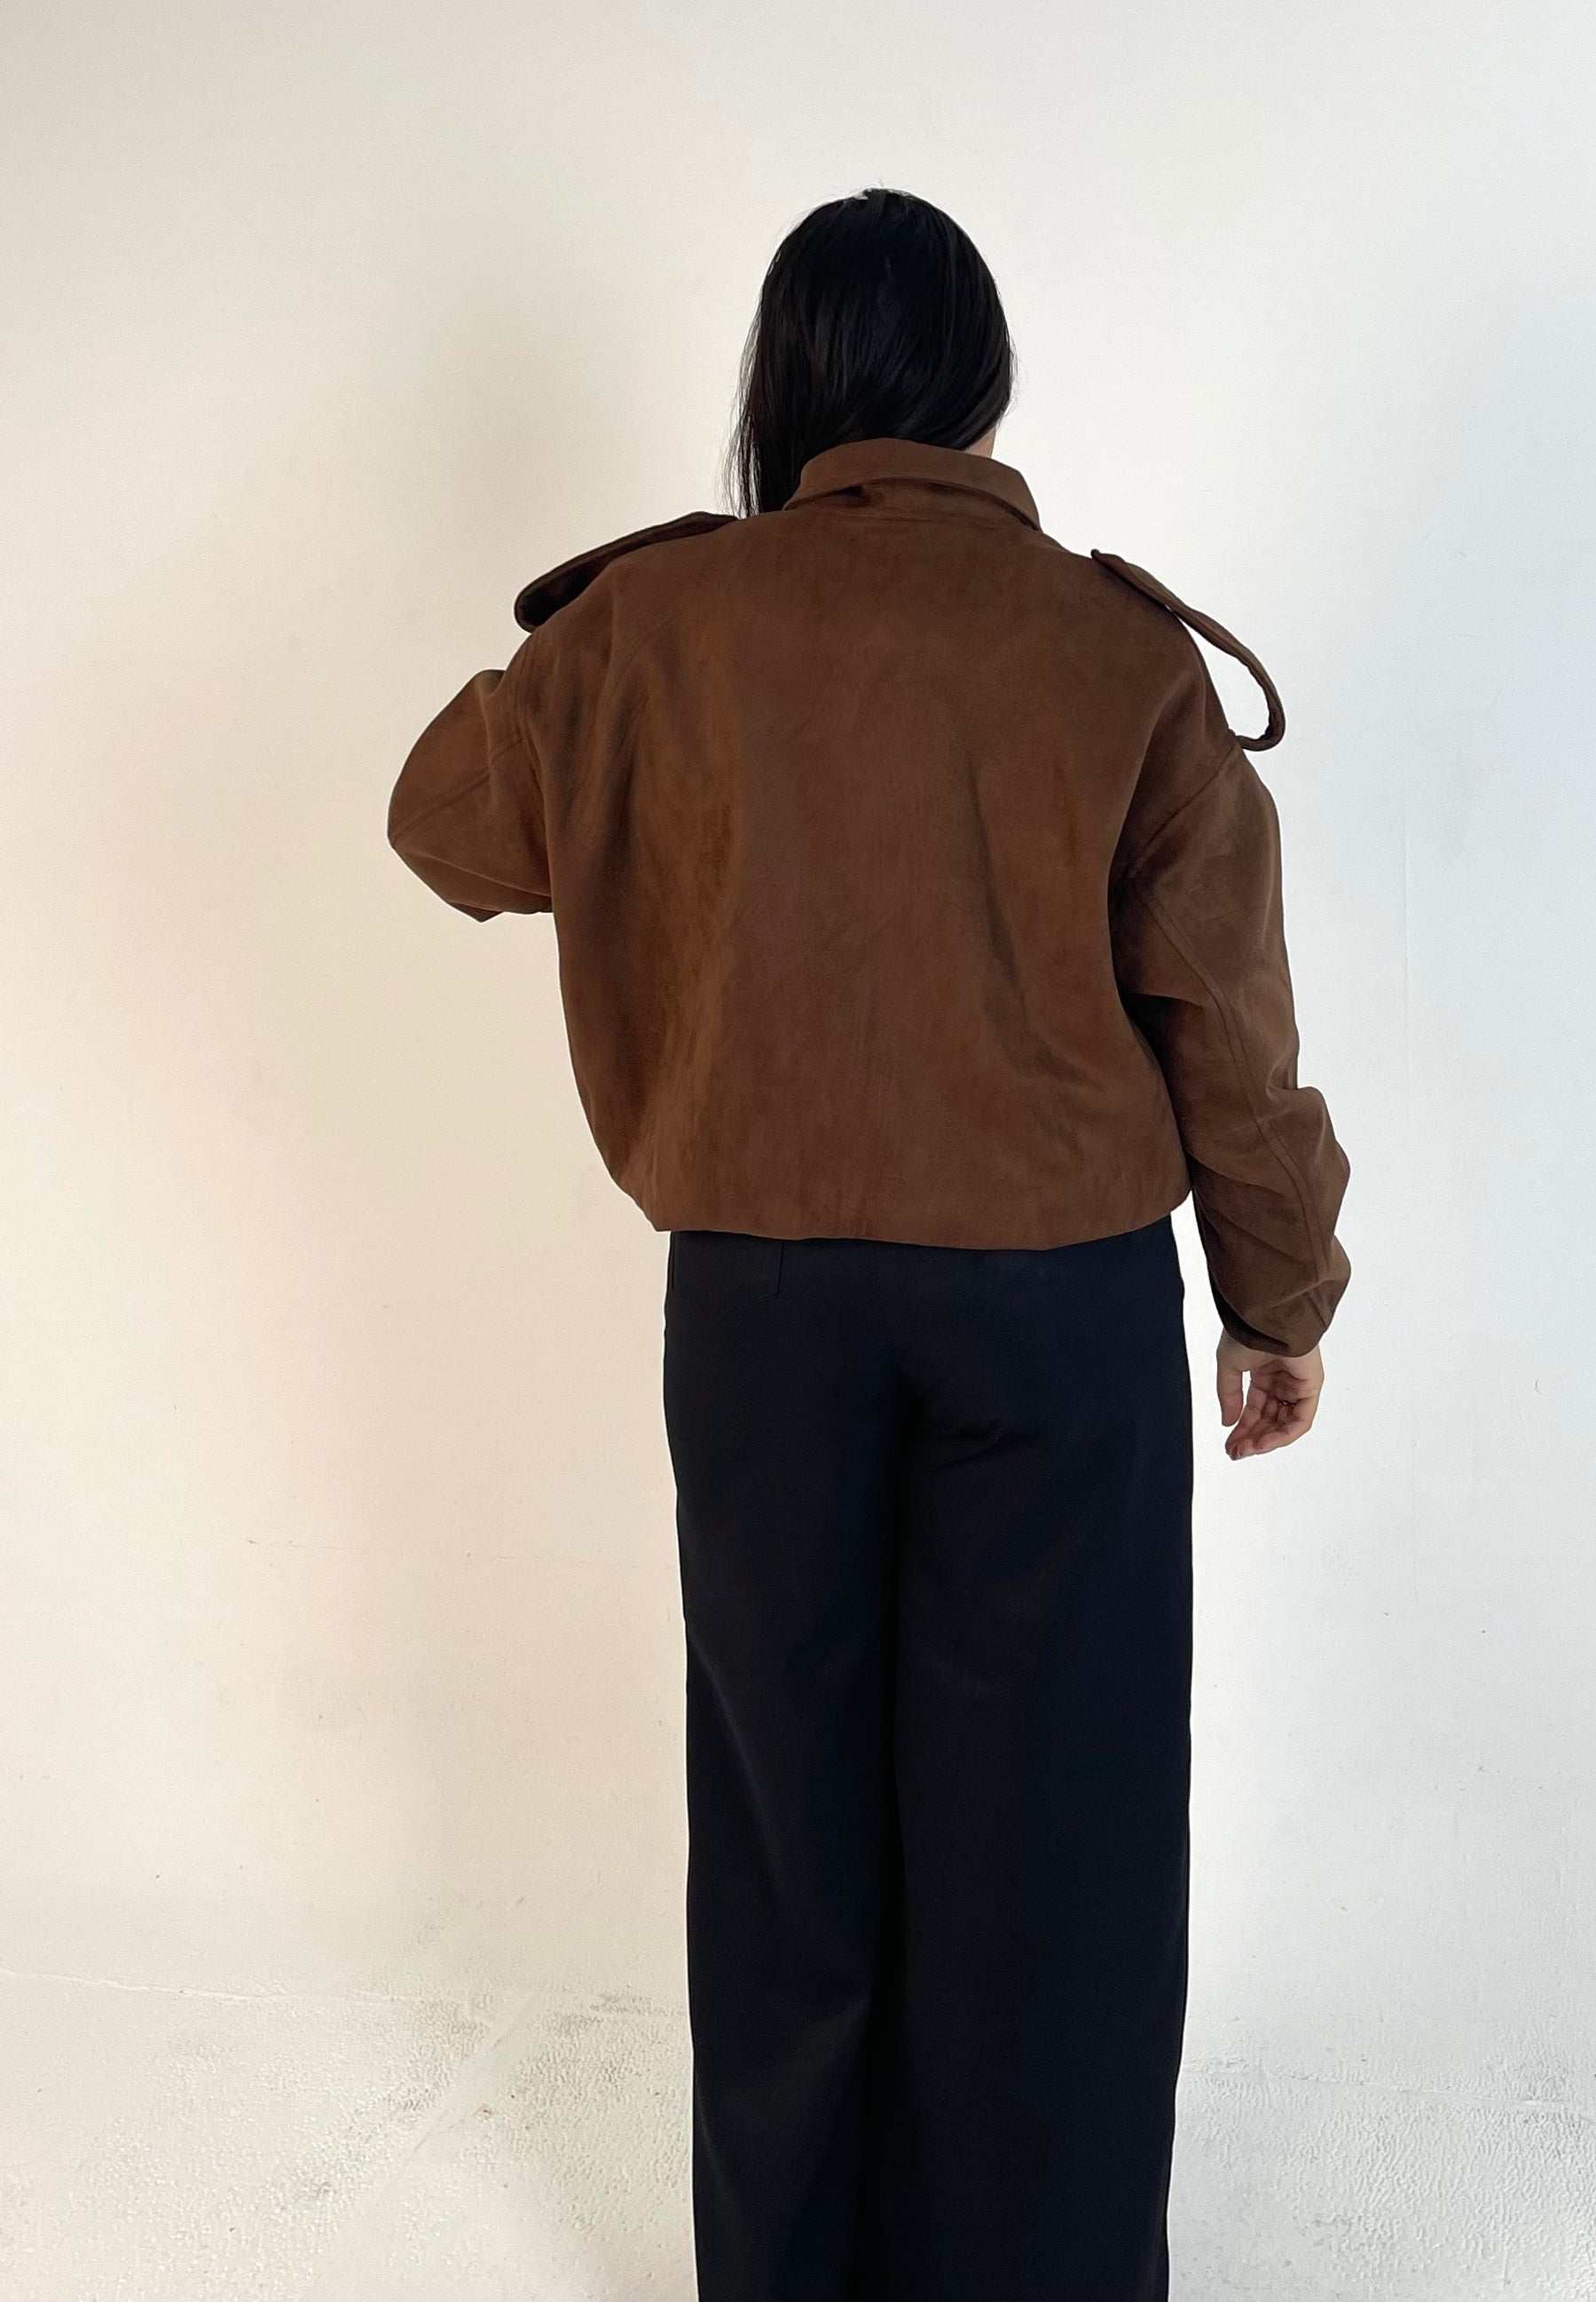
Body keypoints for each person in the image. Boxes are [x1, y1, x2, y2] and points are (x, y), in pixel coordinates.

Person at [388, 185, 1349, 2302]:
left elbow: (443, 819)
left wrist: (635, 633)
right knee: (1055, 1836)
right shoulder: (1112, 653)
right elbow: (1227, 1017)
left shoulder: (657, 626)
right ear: (983, 389)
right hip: (1056, 1302)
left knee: (787, 1835)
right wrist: (1275, 1298)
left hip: (758, 1305)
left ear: (788, 388)